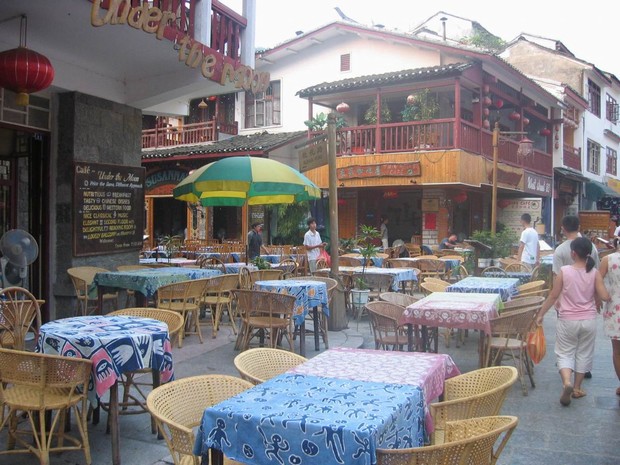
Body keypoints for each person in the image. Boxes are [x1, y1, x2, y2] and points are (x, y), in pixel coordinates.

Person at [537, 237, 610, 406]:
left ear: (573, 253)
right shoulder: (594, 273)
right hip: (589, 320)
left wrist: (541, 314)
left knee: (565, 352)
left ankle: (566, 383)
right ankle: (577, 388)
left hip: (567, 319)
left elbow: (553, 295)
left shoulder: (565, 271)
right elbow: (605, 296)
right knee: (584, 353)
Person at [599, 238, 620, 396]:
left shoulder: (608, 259)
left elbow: (597, 279)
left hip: (616, 307)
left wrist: (603, 295)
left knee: (617, 351)